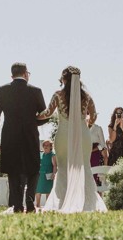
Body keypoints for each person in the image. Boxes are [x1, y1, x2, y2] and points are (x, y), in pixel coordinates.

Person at [36, 65, 107, 214]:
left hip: (63, 135)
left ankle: (62, 201)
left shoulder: (58, 95)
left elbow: (47, 113)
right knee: (84, 166)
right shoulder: (87, 97)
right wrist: (87, 125)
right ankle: (87, 202)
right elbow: (93, 116)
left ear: (64, 79)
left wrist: (34, 116)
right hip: (83, 135)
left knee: (63, 168)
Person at [0, 62, 47, 213]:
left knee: (14, 171)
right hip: (30, 136)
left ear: (12, 75)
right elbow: (45, 115)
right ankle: (30, 203)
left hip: (10, 136)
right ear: (25, 74)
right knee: (33, 169)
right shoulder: (36, 91)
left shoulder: (3, 90)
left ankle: (17, 205)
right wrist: (31, 121)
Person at [35, 139, 57, 207]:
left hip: (48, 175)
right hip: (40, 174)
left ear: (51, 146)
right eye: (44, 145)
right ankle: (37, 205)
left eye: (47, 145)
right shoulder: (42, 154)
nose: (45, 146)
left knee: (48, 191)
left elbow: (55, 165)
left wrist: (54, 174)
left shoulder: (52, 155)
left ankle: (48, 206)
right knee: (38, 190)